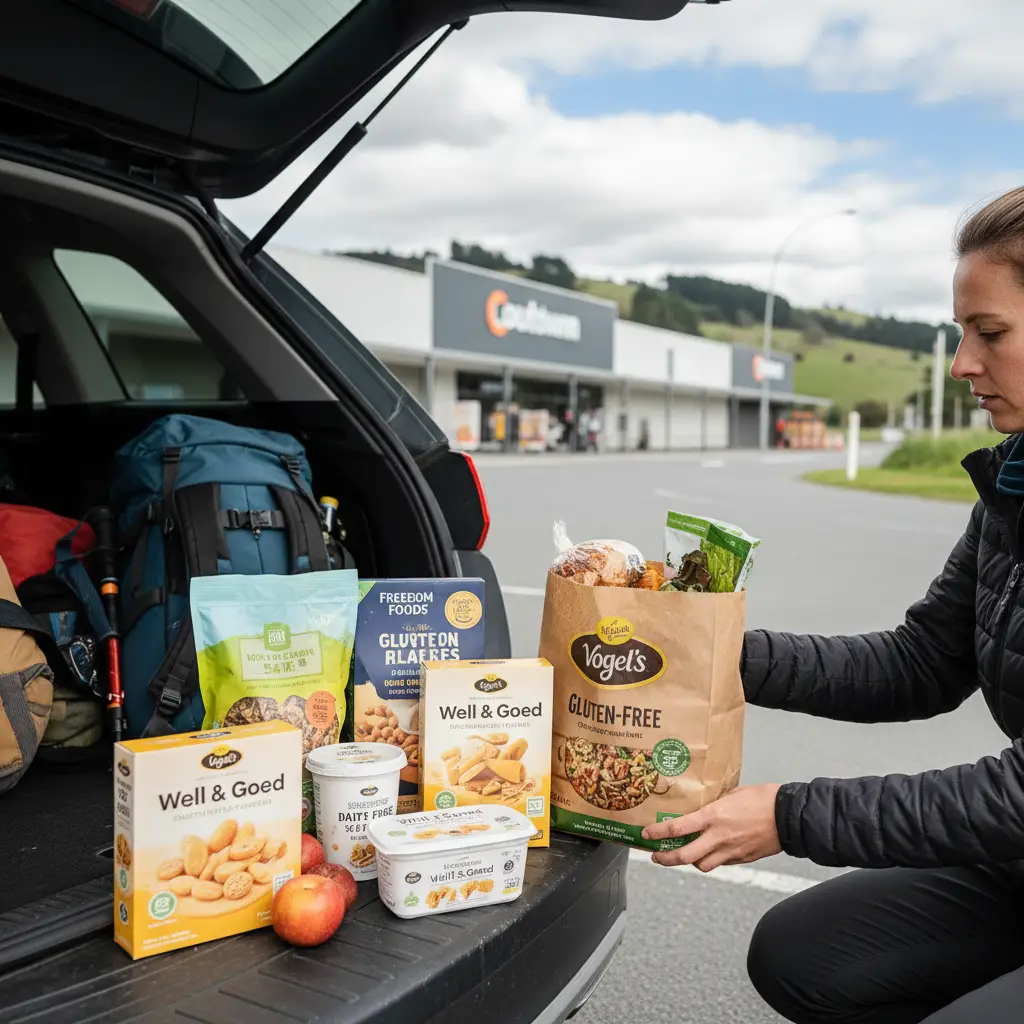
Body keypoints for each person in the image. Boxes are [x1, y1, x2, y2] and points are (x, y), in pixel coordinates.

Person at [642, 185, 1024, 1024]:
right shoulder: (1013, 485)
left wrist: (790, 816)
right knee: (805, 955)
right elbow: (917, 664)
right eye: (962, 334)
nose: (963, 363)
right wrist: (702, 651)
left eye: (988, 333)